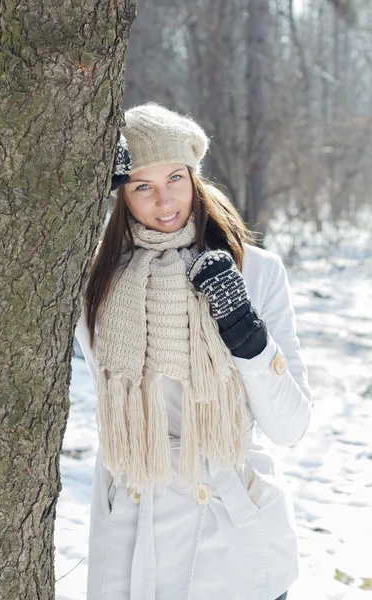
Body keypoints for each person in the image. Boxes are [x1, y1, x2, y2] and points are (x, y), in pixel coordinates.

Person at [75, 102, 312, 600]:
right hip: (135, 535)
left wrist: (243, 329)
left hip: (233, 542)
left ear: (194, 177)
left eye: (175, 178)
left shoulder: (256, 272)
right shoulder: (95, 282)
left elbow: (289, 427)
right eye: (142, 185)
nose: (165, 201)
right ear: (119, 195)